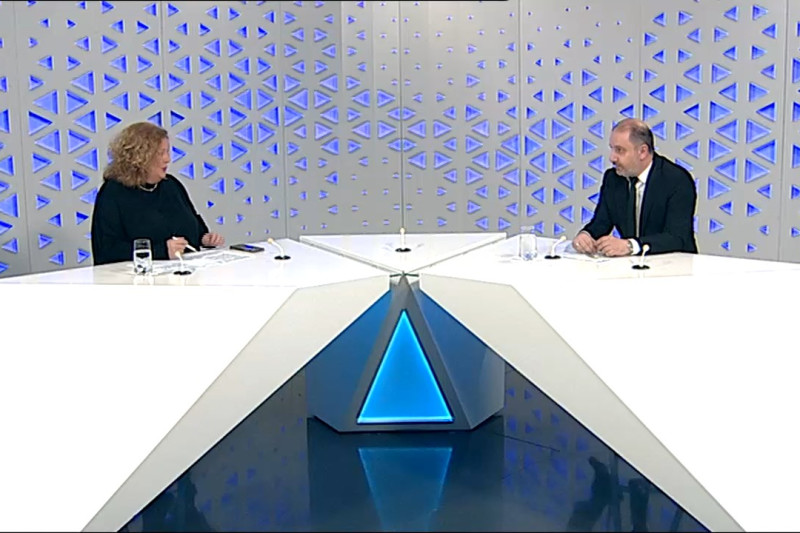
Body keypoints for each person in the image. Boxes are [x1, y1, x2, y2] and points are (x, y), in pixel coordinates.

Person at [91, 122, 224, 265]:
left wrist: (204, 238)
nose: (167, 159)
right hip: (138, 275)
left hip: (185, 270)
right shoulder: (113, 193)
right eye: (160, 153)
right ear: (140, 158)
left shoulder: (171, 185)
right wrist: (161, 251)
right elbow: (106, 250)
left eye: (168, 152)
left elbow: (193, 226)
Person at [572, 118, 697, 256]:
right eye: (612, 149)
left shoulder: (676, 180)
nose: (612, 158)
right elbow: (601, 222)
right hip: (631, 264)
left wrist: (631, 246)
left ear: (642, 151)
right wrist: (586, 235)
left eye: (619, 150)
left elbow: (676, 238)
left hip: (675, 263)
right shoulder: (613, 178)